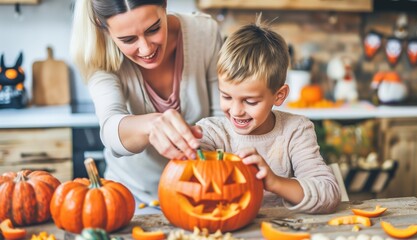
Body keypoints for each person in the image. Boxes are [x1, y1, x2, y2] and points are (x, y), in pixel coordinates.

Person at [70, 0, 223, 204]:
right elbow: (110, 128)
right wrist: (151, 125)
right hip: (132, 200)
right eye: (128, 39)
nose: (145, 49)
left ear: (165, 5)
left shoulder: (204, 33)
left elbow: (222, 118)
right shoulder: (100, 57)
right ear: (104, 28)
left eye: (154, 29)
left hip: (206, 190)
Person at [196, 17, 341, 214]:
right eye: (226, 96)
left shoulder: (295, 131)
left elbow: (329, 194)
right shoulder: (212, 132)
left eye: (250, 101)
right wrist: (188, 147)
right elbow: (190, 168)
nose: (236, 110)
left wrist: (274, 182)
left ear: (278, 96)